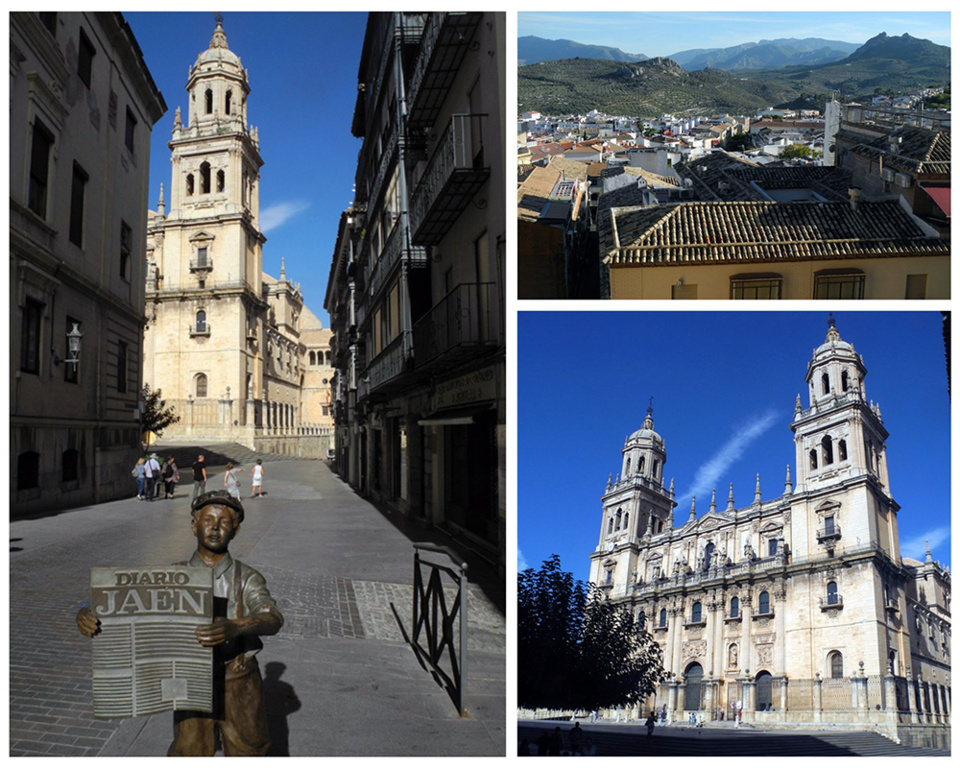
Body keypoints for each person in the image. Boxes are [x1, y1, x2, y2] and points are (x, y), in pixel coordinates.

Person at [76, 490, 284, 755]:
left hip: (238, 680)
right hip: (190, 679)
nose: (215, 528)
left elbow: (273, 618)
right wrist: (85, 613)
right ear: (194, 525)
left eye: (224, 522)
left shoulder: (247, 578)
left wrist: (236, 626)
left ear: (236, 530)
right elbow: (118, 604)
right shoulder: (172, 575)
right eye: (207, 520)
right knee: (190, 750)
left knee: (249, 749)